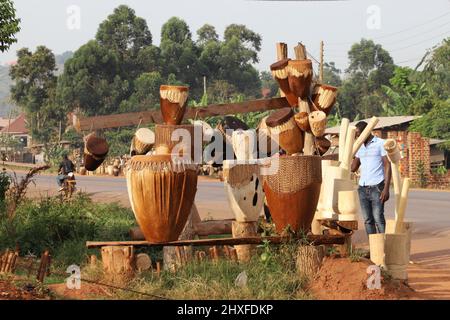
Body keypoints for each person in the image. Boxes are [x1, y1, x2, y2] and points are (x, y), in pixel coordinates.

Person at [351, 121, 391, 235]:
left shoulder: (380, 143)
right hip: (363, 187)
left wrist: (386, 188)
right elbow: (353, 167)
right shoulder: (359, 146)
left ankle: (384, 247)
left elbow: (387, 165)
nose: (358, 136)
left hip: (377, 186)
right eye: (357, 135)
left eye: (359, 133)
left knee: (378, 218)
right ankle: (374, 249)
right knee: (368, 220)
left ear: (367, 131)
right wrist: (347, 154)